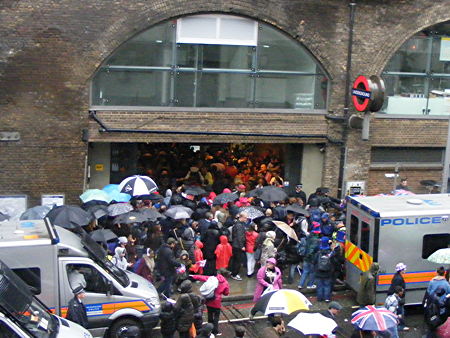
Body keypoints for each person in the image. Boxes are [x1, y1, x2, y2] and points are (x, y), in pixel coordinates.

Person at [191, 268, 231, 336]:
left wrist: (193, 276)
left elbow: (202, 277)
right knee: (216, 317)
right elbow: (226, 293)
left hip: (209, 300)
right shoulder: (225, 283)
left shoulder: (212, 278)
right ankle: (215, 331)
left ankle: (210, 329)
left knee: (210, 315)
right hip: (217, 302)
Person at [298, 224, 320, 290]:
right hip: (311, 259)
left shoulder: (308, 236)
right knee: (312, 272)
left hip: (305, 257)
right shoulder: (315, 240)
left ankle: (300, 284)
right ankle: (310, 284)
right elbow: (312, 250)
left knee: (305, 271)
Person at [388, 262, 408, 331]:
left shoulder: (396, 276)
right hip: (398, 299)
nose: (405, 270)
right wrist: (400, 298)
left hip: (397, 298)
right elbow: (397, 289)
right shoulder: (398, 279)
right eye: (404, 269)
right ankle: (400, 326)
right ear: (401, 270)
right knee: (400, 312)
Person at [314, 236, 334, 302]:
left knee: (319, 286)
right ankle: (327, 298)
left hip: (318, 272)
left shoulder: (318, 252)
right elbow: (333, 261)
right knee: (327, 286)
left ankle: (319, 298)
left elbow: (314, 261)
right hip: (328, 272)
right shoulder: (330, 252)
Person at [230, 212, 248, 281]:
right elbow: (239, 237)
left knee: (235, 260)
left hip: (235, 244)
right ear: (242, 217)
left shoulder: (237, 224)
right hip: (238, 246)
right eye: (245, 218)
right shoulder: (239, 225)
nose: (246, 219)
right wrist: (242, 246)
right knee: (237, 261)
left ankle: (233, 273)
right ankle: (234, 274)